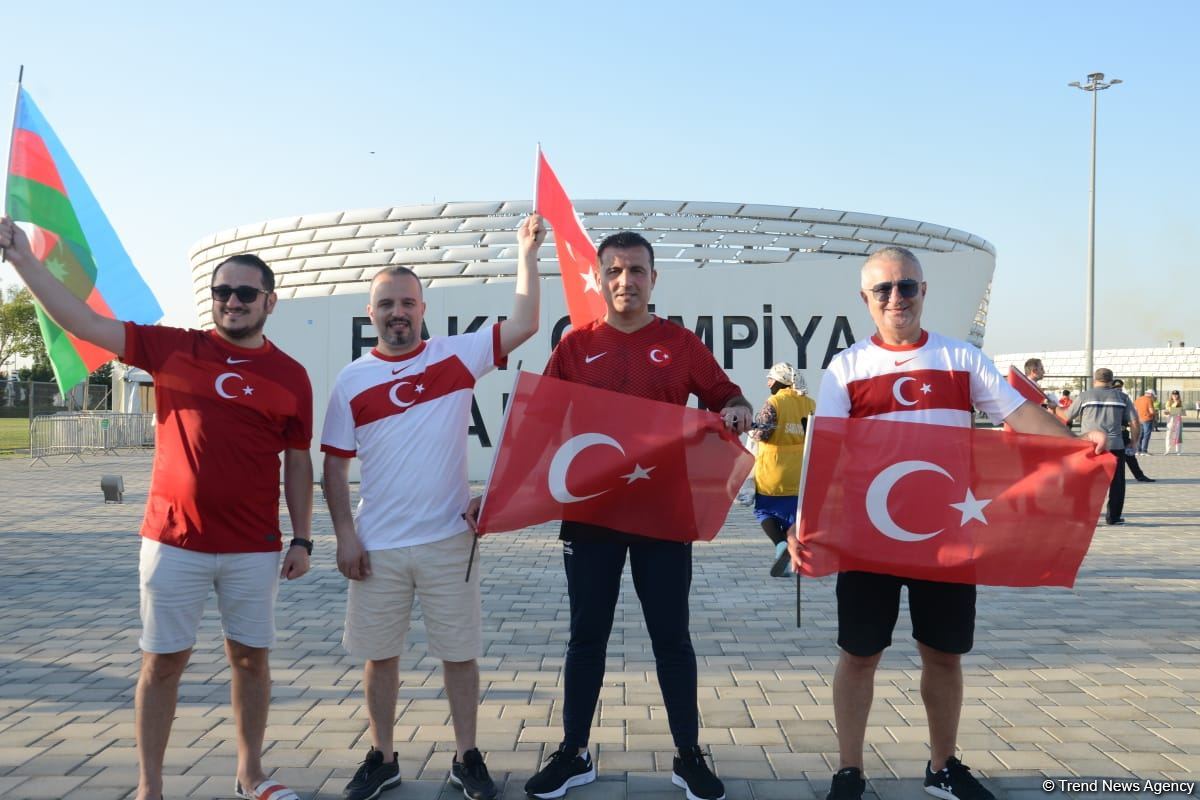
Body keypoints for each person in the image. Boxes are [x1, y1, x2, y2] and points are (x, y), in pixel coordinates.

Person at [0, 218, 313, 800]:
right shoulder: (173, 348)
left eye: (246, 293)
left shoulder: (292, 376)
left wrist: (303, 538)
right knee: (163, 664)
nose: (233, 302)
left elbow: (298, 462)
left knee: (251, 661)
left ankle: (251, 776)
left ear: (269, 300)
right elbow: (84, 322)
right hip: (173, 544)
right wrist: (23, 261)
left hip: (254, 547)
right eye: (223, 291)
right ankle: (150, 788)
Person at [785, 246, 1106, 800]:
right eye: (882, 290)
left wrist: (1077, 443)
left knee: (943, 654)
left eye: (906, 286)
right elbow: (827, 458)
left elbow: (1019, 416)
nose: (896, 298)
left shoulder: (961, 358)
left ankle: (942, 766)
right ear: (865, 299)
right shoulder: (848, 366)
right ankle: (849, 771)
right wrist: (804, 525)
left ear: (924, 291)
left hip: (948, 536)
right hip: (870, 540)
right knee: (859, 655)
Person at [521, 230, 752, 800]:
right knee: (586, 638)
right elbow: (540, 428)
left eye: (638, 271)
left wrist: (738, 407)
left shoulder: (679, 343)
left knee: (672, 638)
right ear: (599, 279)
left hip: (662, 516)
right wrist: (499, 492)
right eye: (616, 271)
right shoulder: (575, 346)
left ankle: (688, 754)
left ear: (654, 278)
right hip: (592, 516)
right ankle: (574, 752)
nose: (627, 281)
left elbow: (725, 394)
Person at [320, 216, 542, 800]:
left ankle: (467, 756)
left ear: (423, 309)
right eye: (387, 303)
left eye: (408, 303)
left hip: (449, 540)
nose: (398, 312)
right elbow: (333, 468)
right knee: (379, 657)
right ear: (370, 313)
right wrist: (345, 536)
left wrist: (526, 252)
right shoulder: (351, 380)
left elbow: (525, 322)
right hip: (378, 546)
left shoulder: (457, 356)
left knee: (459, 656)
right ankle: (383, 756)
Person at [750, 362, 816, 577]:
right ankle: (790, 547)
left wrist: (749, 427)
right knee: (792, 517)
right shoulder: (810, 404)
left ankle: (779, 545)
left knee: (764, 510)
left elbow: (761, 433)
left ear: (780, 381)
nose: (768, 382)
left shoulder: (774, 402)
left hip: (774, 469)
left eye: (770, 378)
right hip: (801, 472)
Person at [1065, 369, 1138, 525]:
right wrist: (1134, 442)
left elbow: (1067, 416)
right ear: (1112, 381)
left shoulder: (1084, 396)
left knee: (1086, 481)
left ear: (1094, 380)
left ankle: (1083, 516)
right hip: (1115, 445)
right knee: (1117, 482)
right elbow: (1134, 422)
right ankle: (1114, 517)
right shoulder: (1122, 397)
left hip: (1089, 446)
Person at [1112, 380, 1153, 483]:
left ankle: (1139, 476)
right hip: (1112, 434)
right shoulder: (1109, 401)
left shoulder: (1124, 399)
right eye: (1117, 388)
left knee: (1130, 456)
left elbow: (1130, 415)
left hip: (1123, 433)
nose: (1119, 390)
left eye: (1120, 388)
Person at [1133, 390, 1157, 454]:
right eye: (1153, 396)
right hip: (1147, 419)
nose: (1153, 398)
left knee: (1140, 435)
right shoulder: (1149, 400)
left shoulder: (1138, 399)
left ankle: (1138, 450)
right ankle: (1144, 450)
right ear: (1151, 395)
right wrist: (1155, 413)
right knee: (1146, 435)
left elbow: (1134, 410)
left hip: (1138, 419)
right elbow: (1151, 411)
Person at [1164, 390, 1184, 454]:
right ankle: (1167, 449)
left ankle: (1178, 450)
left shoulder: (1180, 402)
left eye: (1176, 394)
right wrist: (1175, 405)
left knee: (1178, 436)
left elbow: (1182, 411)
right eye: (1173, 395)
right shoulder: (1169, 402)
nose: (1175, 396)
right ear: (1171, 395)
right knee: (1168, 435)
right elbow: (1167, 410)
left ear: (1178, 395)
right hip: (1170, 420)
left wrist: (1173, 411)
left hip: (1178, 420)